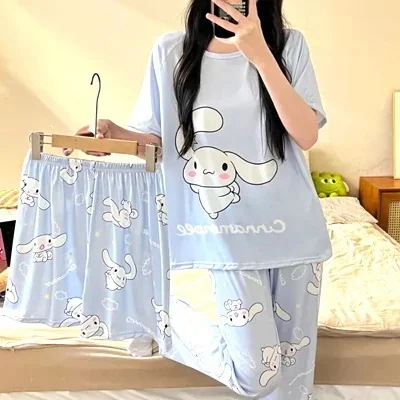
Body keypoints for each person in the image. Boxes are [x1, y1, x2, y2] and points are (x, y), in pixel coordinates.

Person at [66, 0, 332, 398]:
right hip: (225, 236)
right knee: (257, 373)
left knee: (291, 381)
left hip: (294, 231)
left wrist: (261, 55)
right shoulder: (170, 51)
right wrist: (113, 133)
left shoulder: (289, 45)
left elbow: (306, 135)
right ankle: (151, 310)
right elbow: (160, 141)